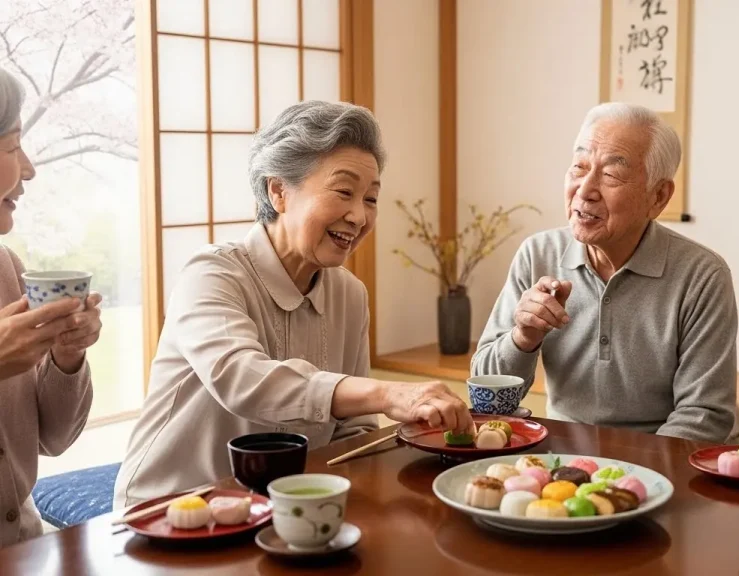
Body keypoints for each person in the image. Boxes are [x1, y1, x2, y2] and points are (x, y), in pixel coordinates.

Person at [115, 101, 472, 506]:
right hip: (171, 509)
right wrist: (389, 394)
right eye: (343, 192)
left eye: (371, 198)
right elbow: (242, 379)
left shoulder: (350, 294)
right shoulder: (212, 274)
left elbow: (353, 433)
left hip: (284, 507)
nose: (358, 215)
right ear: (279, 191)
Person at [472, 102, 739, 443]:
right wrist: (522, 339)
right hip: (565, 465)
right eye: (579, 167)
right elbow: (484, 397)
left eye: (611, 175)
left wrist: (623, 478)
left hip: (667, 464)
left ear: (658, 197)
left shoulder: (702, 276)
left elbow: (704, 415)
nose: (585, 190)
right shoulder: (538, 254)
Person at [0, 67, 103, 546]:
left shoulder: (7, 267)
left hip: (22, 546)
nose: (28, 168)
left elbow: (54, 440)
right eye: (10, 146)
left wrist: (67, 357)